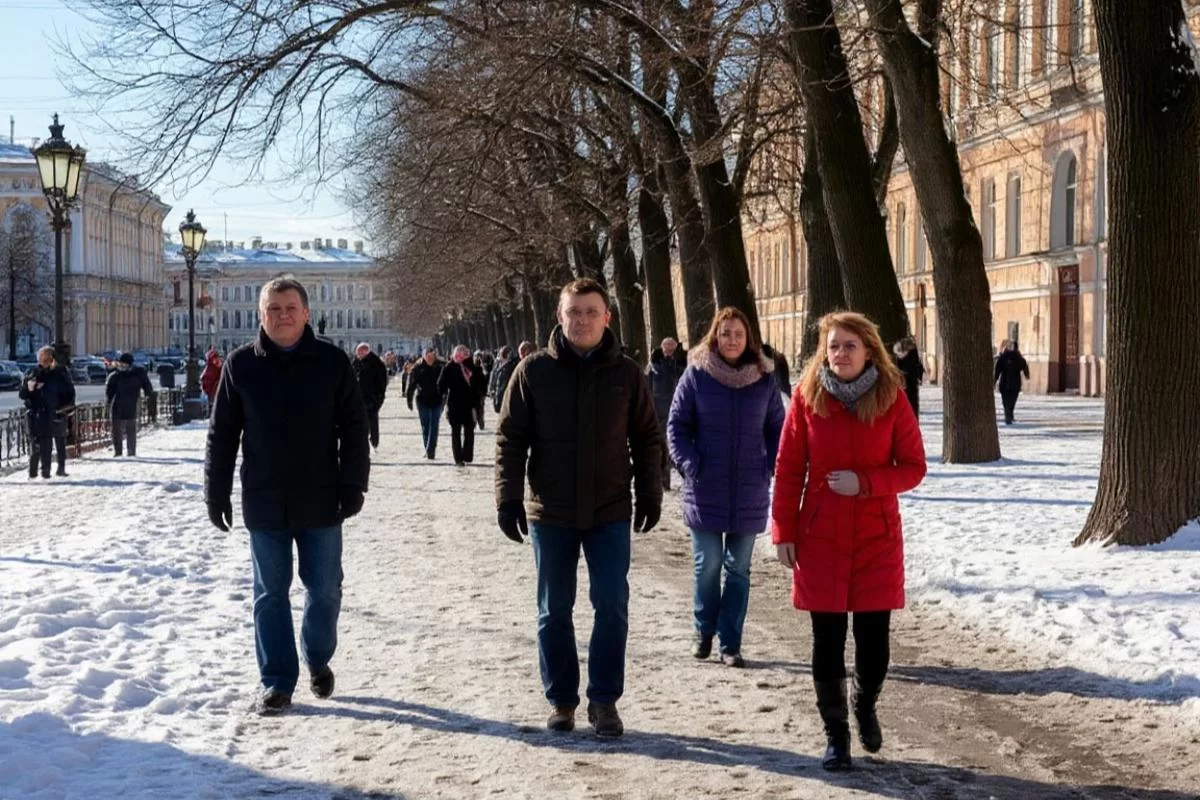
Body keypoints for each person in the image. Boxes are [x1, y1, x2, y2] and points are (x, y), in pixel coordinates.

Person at [495, 278, 663, 738]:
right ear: (559, 316)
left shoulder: (627, 374)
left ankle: (604, 700)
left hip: (609, 508)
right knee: (554, 609)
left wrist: (650, 491)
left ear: (607, 317)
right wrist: (507, 497)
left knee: (612, 605)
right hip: (551, 512)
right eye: (574, 312)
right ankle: (562, 700)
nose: (582, 320)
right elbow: (511, 439)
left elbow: (647, 437)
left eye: (591, 311)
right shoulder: (532, 372)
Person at [204, 276, 370, 715]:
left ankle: (316, 655)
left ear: (306, 313)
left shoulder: (332, 363)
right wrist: (215, 491)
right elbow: (222, 435)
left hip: (322, 498)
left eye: (290, 307)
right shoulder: (242, 365)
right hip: (265, 500)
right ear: (261, 315)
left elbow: (354, 430)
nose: (282, 315)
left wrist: (354, 484)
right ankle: (277, 681)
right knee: (269, 594)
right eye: (273, 308)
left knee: (326, 589)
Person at [771, 311, 926, 772]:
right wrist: (784, 531)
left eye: (849, 346)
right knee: (827, 640)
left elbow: (913, 467)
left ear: (868, 350)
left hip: (876, 536)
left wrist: (865, 483)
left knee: (874, 644)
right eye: (833, 346)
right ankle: (835, 733)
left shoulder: (891, 398)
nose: (840, 354)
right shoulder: (806, 397)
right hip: (820, 537)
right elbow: (787, 470)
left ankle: (865, 701)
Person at [668, 309, 785, 668]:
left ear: (749, 338)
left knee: (738, 569)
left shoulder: (764, 380)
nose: (731, 340)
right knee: (709, 564)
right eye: (725, 333)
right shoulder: (697, 375)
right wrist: (691, 464)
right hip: (705, 487)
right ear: (714, 337)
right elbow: (676, 426)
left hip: (749, 489)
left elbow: (777, 430)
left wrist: (768, 467)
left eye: (738, 334)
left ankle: (730, 643)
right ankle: (703, 630)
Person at [19, 345, 75, 479]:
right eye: (42, 357)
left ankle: (59, 469)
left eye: (48, 357)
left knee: (59, 442)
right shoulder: (33, 373)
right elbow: (22, 394)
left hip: (56, 412)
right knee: (39, 445)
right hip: (37, 415)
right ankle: (36, 473)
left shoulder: (60, 372)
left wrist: (66, 408)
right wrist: (29, 389)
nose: (45, 360)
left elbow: (69, 391)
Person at [646, 337, 687, 490]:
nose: (669, 349)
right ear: (662, 348)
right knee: (663, 446)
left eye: (672, 346)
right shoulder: (653, 365)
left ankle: (686, 477)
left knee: (679, 445)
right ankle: (664, 481)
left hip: (679, 410)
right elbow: (646, 388)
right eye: (667, 346)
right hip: (660, 411)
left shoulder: (680, 363)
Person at [438, 344, 487, 466]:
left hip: (470, 404)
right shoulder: (449, 367)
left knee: (469, 430)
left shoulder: (474, 366)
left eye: (462, 354)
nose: (459, 356)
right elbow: (441, 385)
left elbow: (481, 383)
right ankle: (458, 458)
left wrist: (479, 394)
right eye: (457, 354)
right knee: (456, 432)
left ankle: (467, 455)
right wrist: (443, 393)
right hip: (454, 404)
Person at [105, 352, 156, 457]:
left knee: (130, 429)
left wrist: (149, 396)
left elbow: (147, 387)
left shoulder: (138, 374)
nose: (122, 366)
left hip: (131, 405)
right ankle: (118, 452)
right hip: (118, 406)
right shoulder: (115, 376)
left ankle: (131, 452)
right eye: (121, 364)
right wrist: (108, 402)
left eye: (124, 364)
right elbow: (109, 392)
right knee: (117, 430)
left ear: (130, 364)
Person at [406, 348, 445, 459]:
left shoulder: (440, 367)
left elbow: (446, 383)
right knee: (425, 426)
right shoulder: (418, 368)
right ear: (423, 356)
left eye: (431, 356)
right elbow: (412, 385)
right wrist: (409, 400)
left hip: (437, 400)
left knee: (434, 426)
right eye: (427, 356)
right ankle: (427, 448)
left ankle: (431, 449)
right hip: (422, 400)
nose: (430, 358)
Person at [352, 342, 389, 449]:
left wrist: (378, 398)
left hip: (371, 399)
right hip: (358, 398)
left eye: (359, 353)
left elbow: (382, 383)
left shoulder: (377, 363)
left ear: (365, 352)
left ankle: (374, 442)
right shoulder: (356, 362)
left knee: (372, 421)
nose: (357, 355)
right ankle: (362, 441)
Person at [994, 340, 1030, 425]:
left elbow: (997, 370)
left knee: (1005, 400)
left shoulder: (1003, 358)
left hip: (1004, 383)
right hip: (1015, 383)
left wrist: (995, 379)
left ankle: (1008, 414)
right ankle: (1009, 414)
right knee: (1012, 400)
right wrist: (1027, 374)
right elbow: (1024, 366)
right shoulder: (1018, 357)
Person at [891, 337, 925, 416]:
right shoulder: (912, 352)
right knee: (910, 407)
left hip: (906, 384)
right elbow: (916, 366)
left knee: (908, 406)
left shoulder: (899, 354)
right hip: (908, 384)